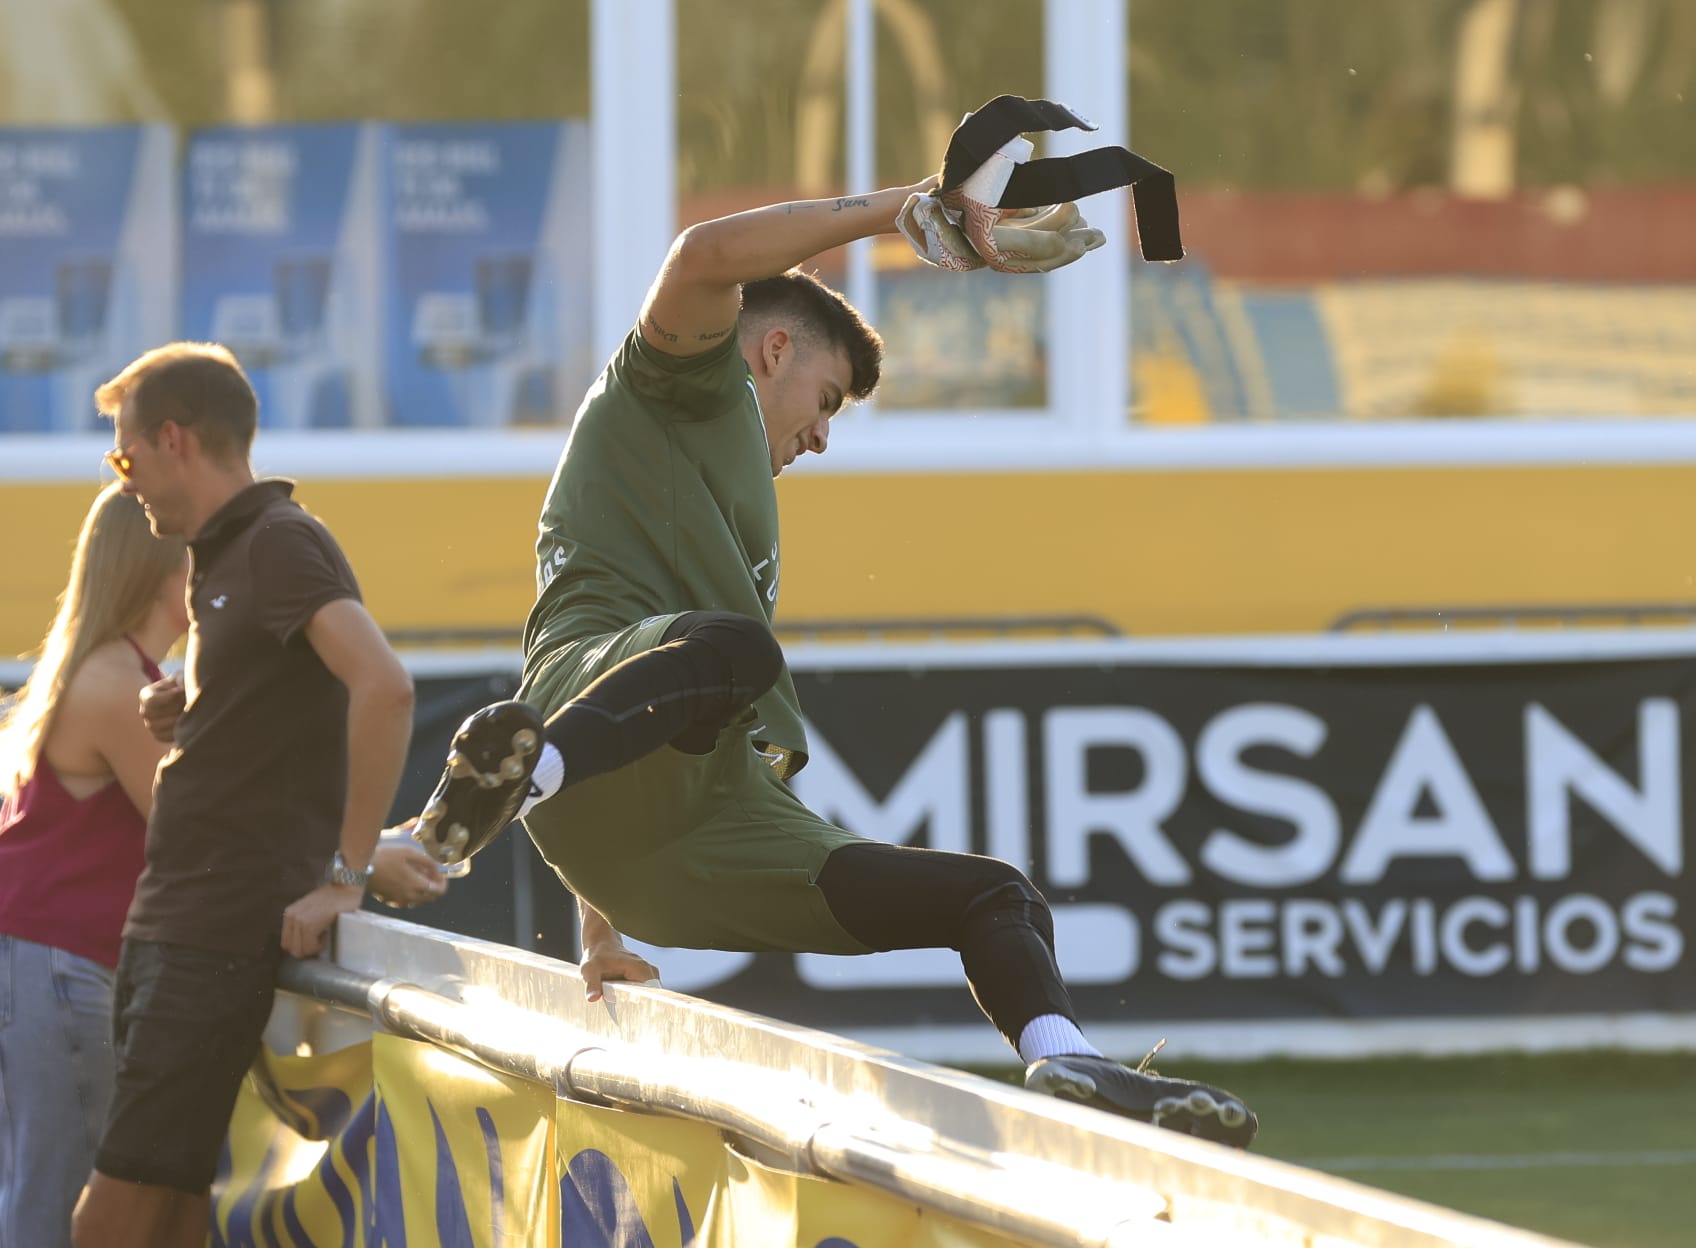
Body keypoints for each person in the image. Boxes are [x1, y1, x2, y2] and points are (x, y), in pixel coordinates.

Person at [413, 179, 1259, 1148]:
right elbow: (700, 255)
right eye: (824, 402)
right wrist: (903, 206)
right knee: (733, 647)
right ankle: (521, 783)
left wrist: (601, 927)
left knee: (994, 894)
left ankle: (1065, 1057)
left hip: (694, 824)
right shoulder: (678, 389)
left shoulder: (727, 492)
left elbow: (653, 727)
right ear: (771, 351)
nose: (820, 437)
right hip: (586, 685)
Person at [0, 484, 441, 1248]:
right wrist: (365, 862)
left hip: (40, 964)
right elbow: (210, 826)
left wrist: (366, 845)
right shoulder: (118, 682)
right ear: (162, 565)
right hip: (50, 966)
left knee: (65, 1207)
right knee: (56, 1221)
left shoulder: (128, 673)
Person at [70, 343, 418, 1248]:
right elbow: (288, 701)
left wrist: (346, 874)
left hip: (212, 931)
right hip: (176, 919)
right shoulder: (223, 556)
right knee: (174, 1204)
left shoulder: (276, 542)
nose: (126, 478)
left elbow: (384, 687)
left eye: (125, 455)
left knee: (109, 1217)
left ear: (174, 439)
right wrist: (197, 701)